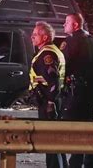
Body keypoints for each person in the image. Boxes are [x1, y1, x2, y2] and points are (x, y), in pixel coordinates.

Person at [60, 13, 93, 168]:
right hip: (90, 91)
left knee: (75, 129)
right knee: (89, 127)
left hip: (75, 92)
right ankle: (91, 163)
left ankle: (75, 164)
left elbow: (63, 67)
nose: (64, 25)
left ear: (75, 25)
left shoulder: (71, 41)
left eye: (67, 22)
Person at [29, 21, 68, 168]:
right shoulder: (49, 51)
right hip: (50, 100)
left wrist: (50, 103)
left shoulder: (47, 55)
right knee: (55, 142)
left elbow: (53, 81)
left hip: (49, 102)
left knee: (50, 141)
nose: (32, 37)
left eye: (35, 34)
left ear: (45, 37)